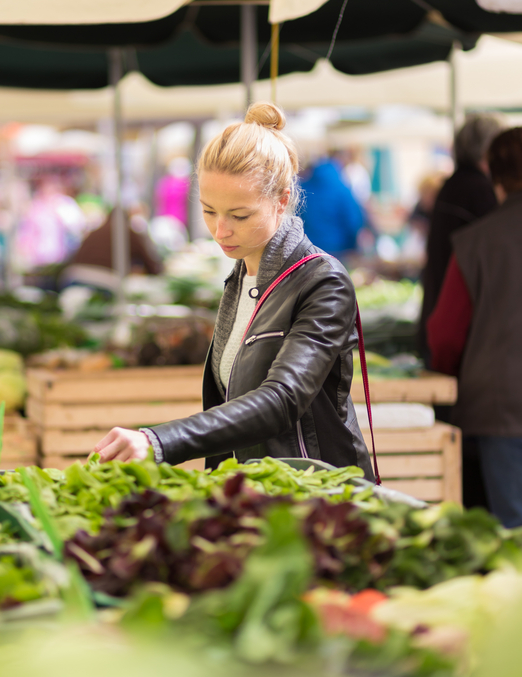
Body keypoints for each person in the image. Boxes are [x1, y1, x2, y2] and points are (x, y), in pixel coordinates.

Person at [90, 103, 374, 480]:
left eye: (239, 216)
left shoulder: (323, 283)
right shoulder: (240, 278)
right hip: (257, 491)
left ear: (282, 200)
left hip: (320, 492)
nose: (220, 230)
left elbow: (282, 400)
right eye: (209, 211)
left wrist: (160, 441)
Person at [428, 127, 522, 528]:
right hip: (500, 405)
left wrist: (452, 372)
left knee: (512, 532)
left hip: (499, 404)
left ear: (492, 174)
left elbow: (446, 333)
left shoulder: (474, 242)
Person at [417, 114, 505, 365]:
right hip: (459, 324)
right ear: (489, 150)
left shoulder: (452, 186)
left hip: (441, 314)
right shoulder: (480, 192)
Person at [298, 156, 365, 261]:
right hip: (339, 250)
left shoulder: (303, 189)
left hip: (310, 250)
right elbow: (354, 221)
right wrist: (354, 246)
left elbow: (298, 218)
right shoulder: (342, 189)